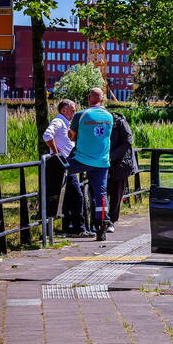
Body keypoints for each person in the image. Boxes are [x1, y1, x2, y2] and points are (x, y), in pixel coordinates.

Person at [67, 88, 114, 241]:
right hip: (102, 162)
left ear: (89, 98)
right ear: (102, 99)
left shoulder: (81, 115)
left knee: (61, 171)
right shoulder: (109, 116)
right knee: (101, 192)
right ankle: (102, 221)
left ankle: (52, 208)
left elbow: (72, 137)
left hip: (81, 160)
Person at [42, 99, 90, 236]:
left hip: (68, 163)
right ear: (64, 110)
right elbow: (47, 135)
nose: (75, 112)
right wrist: (57, 153)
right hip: (63, 164)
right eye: (73, 110)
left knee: (70, 196)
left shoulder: (66, 123)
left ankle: (70, 227)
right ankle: (79, 228)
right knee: (77, 195)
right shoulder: (58, 121)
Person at [107, 111, 138, 232]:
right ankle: (99, 220)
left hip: (120, 164)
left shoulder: (120, 122)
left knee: (116, 194)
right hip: (103, 162)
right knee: (100, 193)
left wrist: (112, 156)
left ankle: (111, 221)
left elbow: (127, 142)